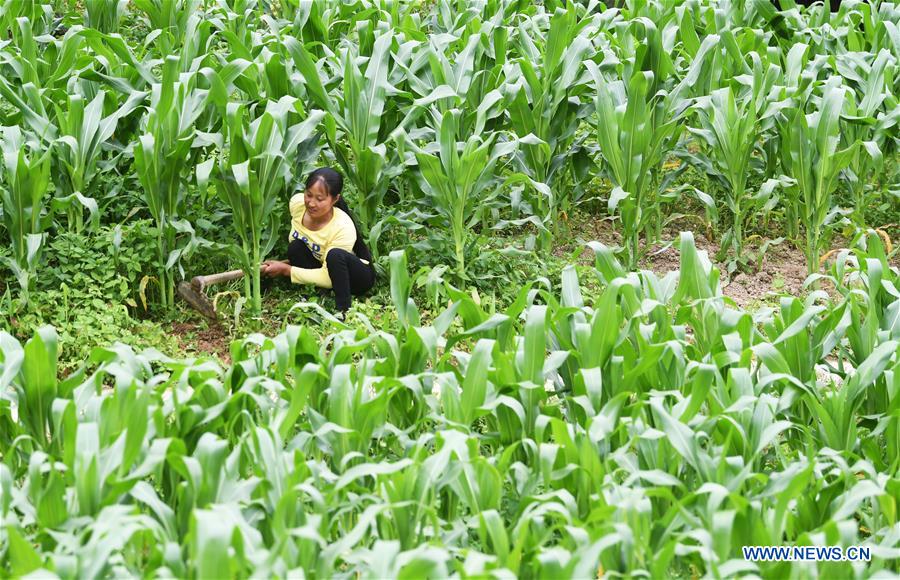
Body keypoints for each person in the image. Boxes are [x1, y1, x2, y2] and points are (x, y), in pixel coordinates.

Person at [261, 167, 376, 316]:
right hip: (321, 264)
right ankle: (318, 293)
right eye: (308, 195)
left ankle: (343, 310)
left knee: (335, 255)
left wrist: (286, 270)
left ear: (334, 199)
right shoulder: (297, 205)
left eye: (319, 199)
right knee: (295, 247)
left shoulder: (343, 227)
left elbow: (329, 277)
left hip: (354, 278)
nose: (311, 203)